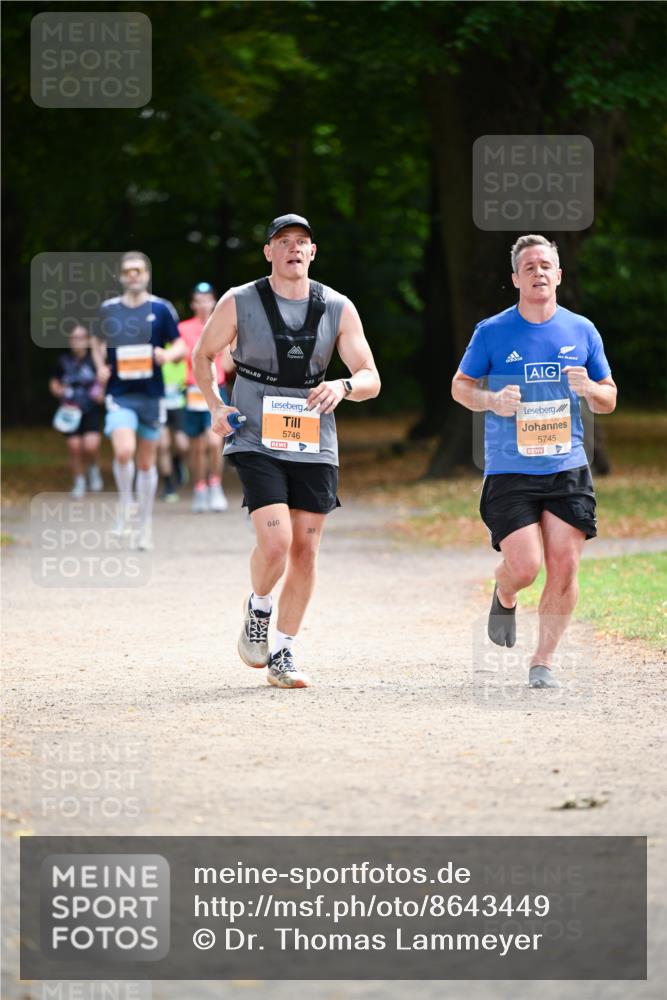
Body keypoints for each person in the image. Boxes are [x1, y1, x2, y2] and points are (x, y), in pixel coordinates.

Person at [193, 213, 381, 688]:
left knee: (306, 550)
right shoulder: (239, 300)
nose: (293, 248)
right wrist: (216, 405)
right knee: (276, 543)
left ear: (313, 252)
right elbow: (203, 354)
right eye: (283, 241)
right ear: (268, 252)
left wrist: (342, 386)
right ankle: (259, 606)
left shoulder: (337, 306)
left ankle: (283, 652)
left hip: (314, 438)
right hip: (255, 433)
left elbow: (370, 377)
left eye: (302, 242)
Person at [452, 234, 617, 689]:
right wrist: (491, 400)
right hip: (510, 469)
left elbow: (608, 399)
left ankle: (542, 661)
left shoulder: (582, 331)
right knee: (525, 567)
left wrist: (590, 389)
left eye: (546, 265)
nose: (539, 272)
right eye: (529, 267)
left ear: (558, 275)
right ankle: (505, 591)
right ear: (516, 279)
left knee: (565, 566)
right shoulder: (492, 332)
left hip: (567, 467)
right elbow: (460, 386)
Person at [92, 251, 185, 550]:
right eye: (128, 271)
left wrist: (167, 355)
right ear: (121, 276)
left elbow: (180, 345)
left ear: (146, 275)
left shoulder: (161, 308)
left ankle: (144, 525)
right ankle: (125, 502)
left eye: (138, 270)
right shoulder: (108, 310)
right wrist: (100, 367)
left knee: (146, 463)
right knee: (123, 451)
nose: (133, 275)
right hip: (120, 394)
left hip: (152, 395)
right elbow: (97, 341)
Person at [179, 282, 234, 513]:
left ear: (214, 302)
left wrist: (225, 350)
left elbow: (228, 365)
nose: (203, 304)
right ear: (193, 304)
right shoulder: (183, 328)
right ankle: (199, 487)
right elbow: (178, 355)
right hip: (193, 390)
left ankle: (215, 485)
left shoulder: (223, 326)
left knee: (214, 441)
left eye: (207, 299)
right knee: (197, 446)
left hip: (216, 388)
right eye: (199, 300)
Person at [49, 324, 104, 498]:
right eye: (73, 338)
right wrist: (58, 390)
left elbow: (104, 378)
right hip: (70, 411)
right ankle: (79, 481)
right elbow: (54, 382)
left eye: (80, 337)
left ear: (87, 340)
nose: (77, 341)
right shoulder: (63, 360)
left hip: (90, 409)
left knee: (91, 446)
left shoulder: (95, 359)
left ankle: (93, 468)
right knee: (74, 448)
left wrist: (101, 392)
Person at [158, 345, 189, 502]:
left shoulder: (181, 345)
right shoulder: (156, 347)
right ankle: (168, 485)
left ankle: (177, 462)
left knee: (183, 445)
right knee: (163, 445)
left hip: (179, 405)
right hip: (159, 404)